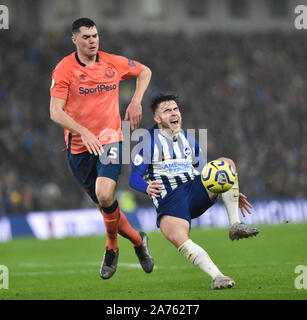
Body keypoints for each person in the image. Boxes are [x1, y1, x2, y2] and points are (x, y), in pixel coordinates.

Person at [49, 18, 153, 280]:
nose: (92, 40)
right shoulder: (64, 70)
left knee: (105, 194)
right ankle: (139, 241)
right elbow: (55, 112)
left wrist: (137, 102)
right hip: (79, 148)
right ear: (75, 40)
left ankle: (111, 247)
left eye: (95, 35)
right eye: (86, 37)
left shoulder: (112, 62)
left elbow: (144, 71)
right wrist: (83, 131)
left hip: (110, 139)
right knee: (106, 207)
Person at [129, 94, 259, 290]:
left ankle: (235, 225)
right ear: (157, 119)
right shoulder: (148, 143)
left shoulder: (188, 140)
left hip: (194, 190)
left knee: (226, 164)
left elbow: (207, 173)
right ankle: (218, 277)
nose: (174, 113)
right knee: (176, 237)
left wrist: (227, 187)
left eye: (175, 109)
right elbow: (133, 178)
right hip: (170, 200)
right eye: (167, 111)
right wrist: (146, 187)